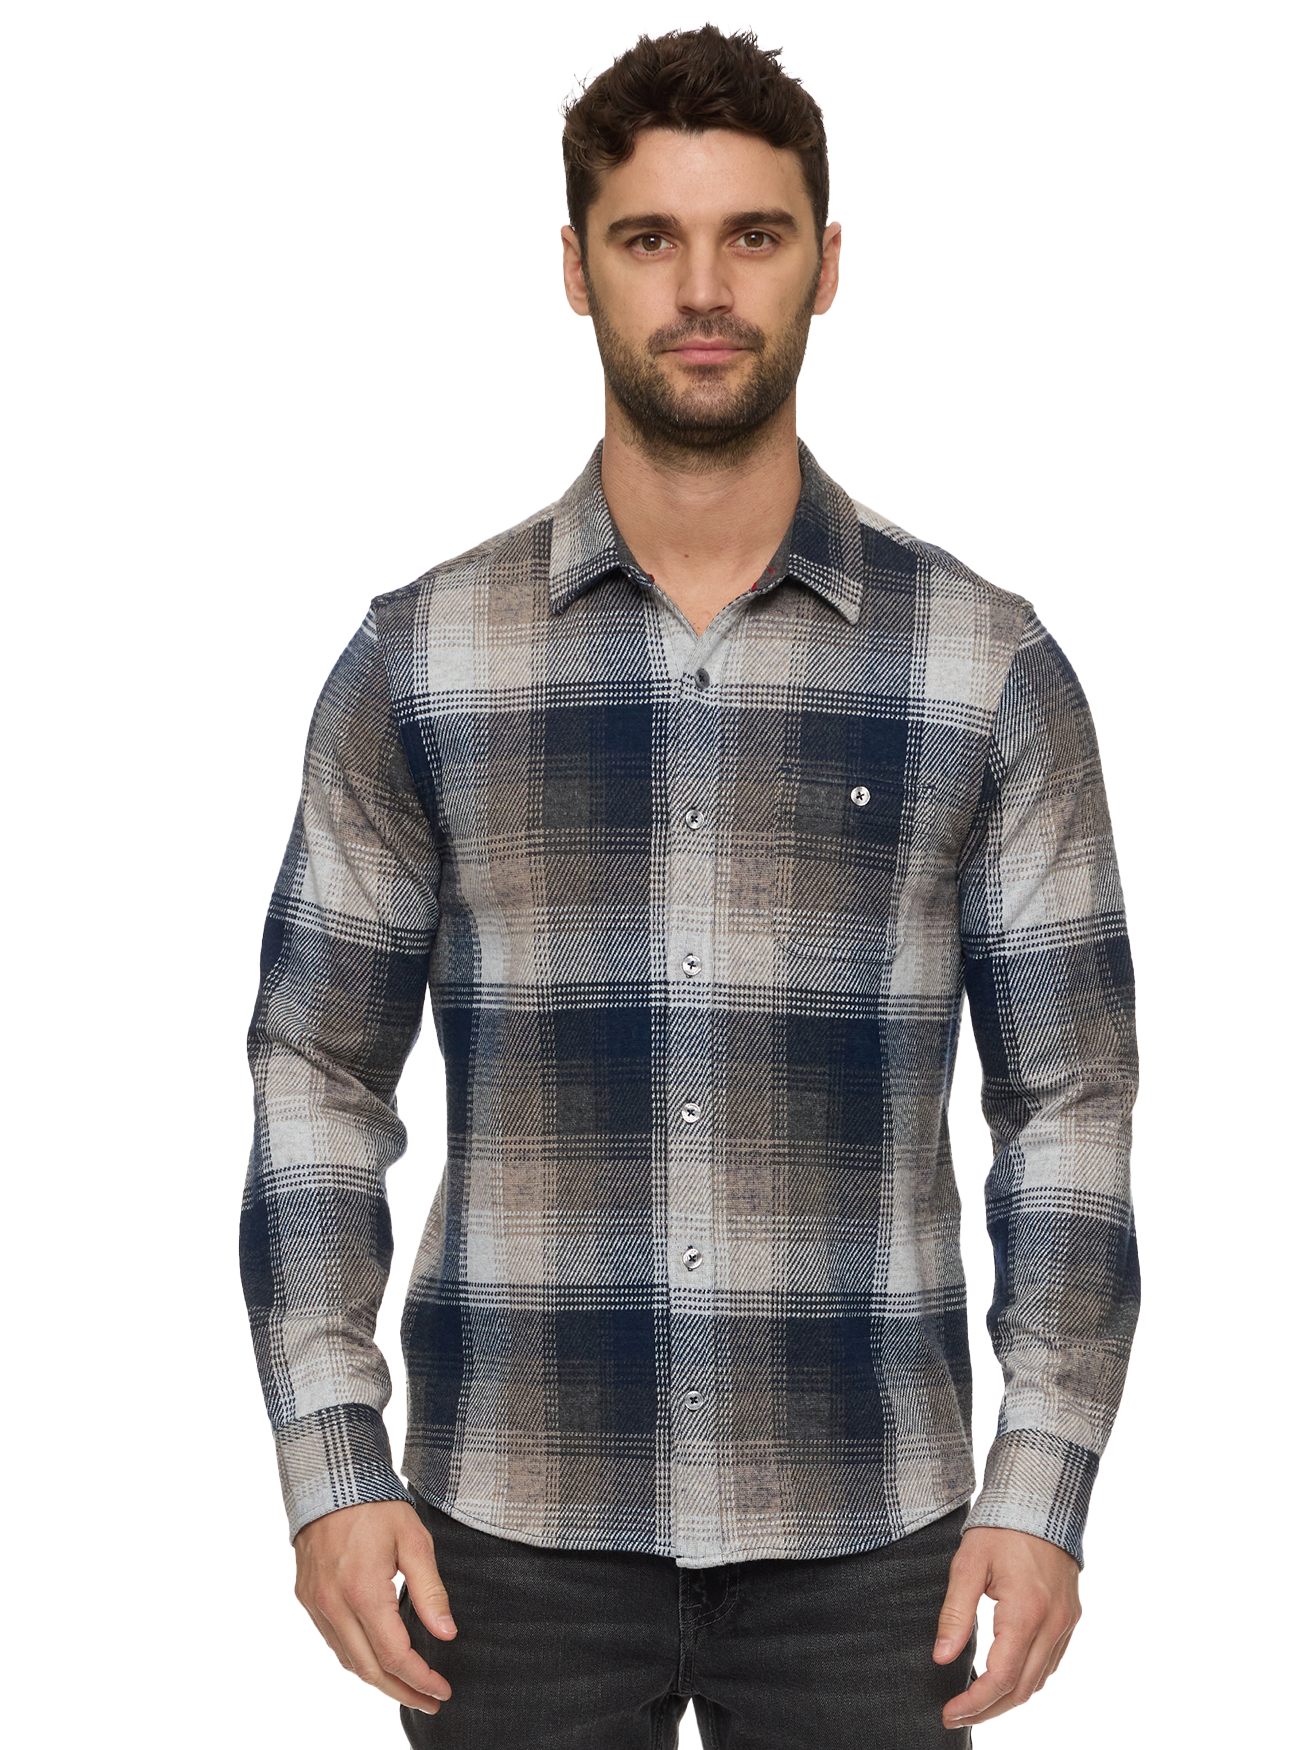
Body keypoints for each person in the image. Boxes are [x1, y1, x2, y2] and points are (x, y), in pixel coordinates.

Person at [240, 23, 1140, 1748]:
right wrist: (329, 1455)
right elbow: (316, 1067)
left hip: (875, 1539)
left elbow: (1071, 1095)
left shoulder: (985, 669)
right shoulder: (420, 661)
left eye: (755, 235)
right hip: (505, 1530)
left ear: (827, 263)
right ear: (575, 268)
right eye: (650, 238)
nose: (705, 289)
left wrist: (1042, 1477)